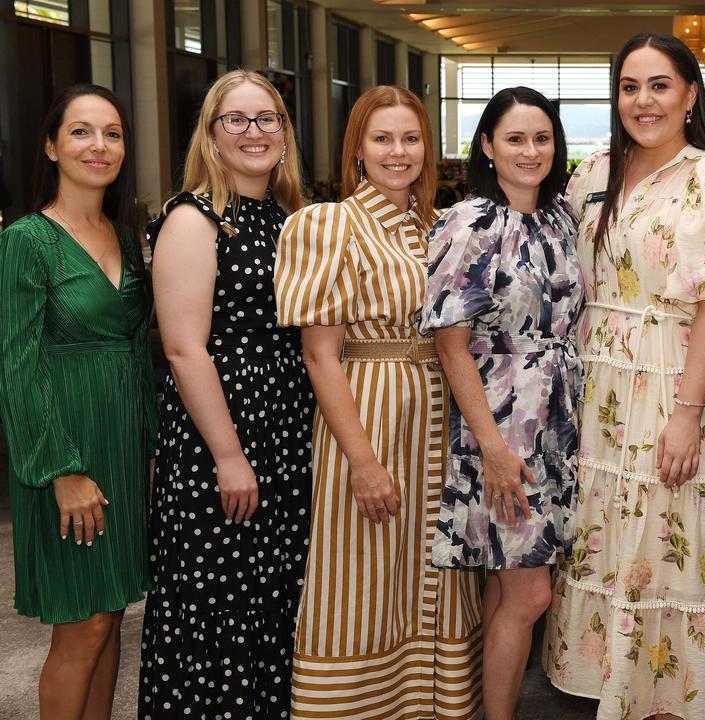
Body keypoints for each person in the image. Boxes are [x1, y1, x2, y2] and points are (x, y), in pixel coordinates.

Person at [541, 32, 705, 720]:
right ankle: (612, 688)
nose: (643, 101)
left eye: (660, 85)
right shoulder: (594, 171)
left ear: (690, 94)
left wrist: (686, 411)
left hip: (680, 378)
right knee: (607, 543)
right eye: (630, 87)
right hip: (600, 391)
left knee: (675, 545)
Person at [275, 85, 482, 720]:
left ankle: (426, 703)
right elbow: (320, 355)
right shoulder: (327, 223)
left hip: (436, 423)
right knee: (360, 572)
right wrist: (361, 460)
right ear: (357, 151)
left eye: (411, 138)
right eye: (382, 139)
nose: (399, 152)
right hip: (368, 417)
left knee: (429, 571)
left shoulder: (436, 227)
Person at [137, 69, 313, 719]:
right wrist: (229, 455)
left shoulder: (285, 217)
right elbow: (184, 349)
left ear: (285, 134)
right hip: (223, 443)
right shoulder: (192, 218)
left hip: (286, 438)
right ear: (210, 137)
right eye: (235, 120)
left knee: (273, 605)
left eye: (267, 118)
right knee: (218, 610)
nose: (254, 132)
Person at [423, 85, 583, 720]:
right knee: (531, 594)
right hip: (499, 426)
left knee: (505, 583)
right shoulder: (467, 224)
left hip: (556, 423)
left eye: (541, 137)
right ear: (486, 146)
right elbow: (451, 344)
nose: (530, 150)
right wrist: (491, 448)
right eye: (514, 138)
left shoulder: (561, 217)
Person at [0, 83, 154, 719]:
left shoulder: (125, 234)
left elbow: (142, 352)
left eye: (113, 133)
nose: (100, 145)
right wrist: (60, 468)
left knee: (112, 618)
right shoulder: (27, 240)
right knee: (82, 626)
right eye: (82, 132)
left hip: (123, 451)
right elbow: (16, 364)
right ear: (51, 146)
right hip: (65, 454)